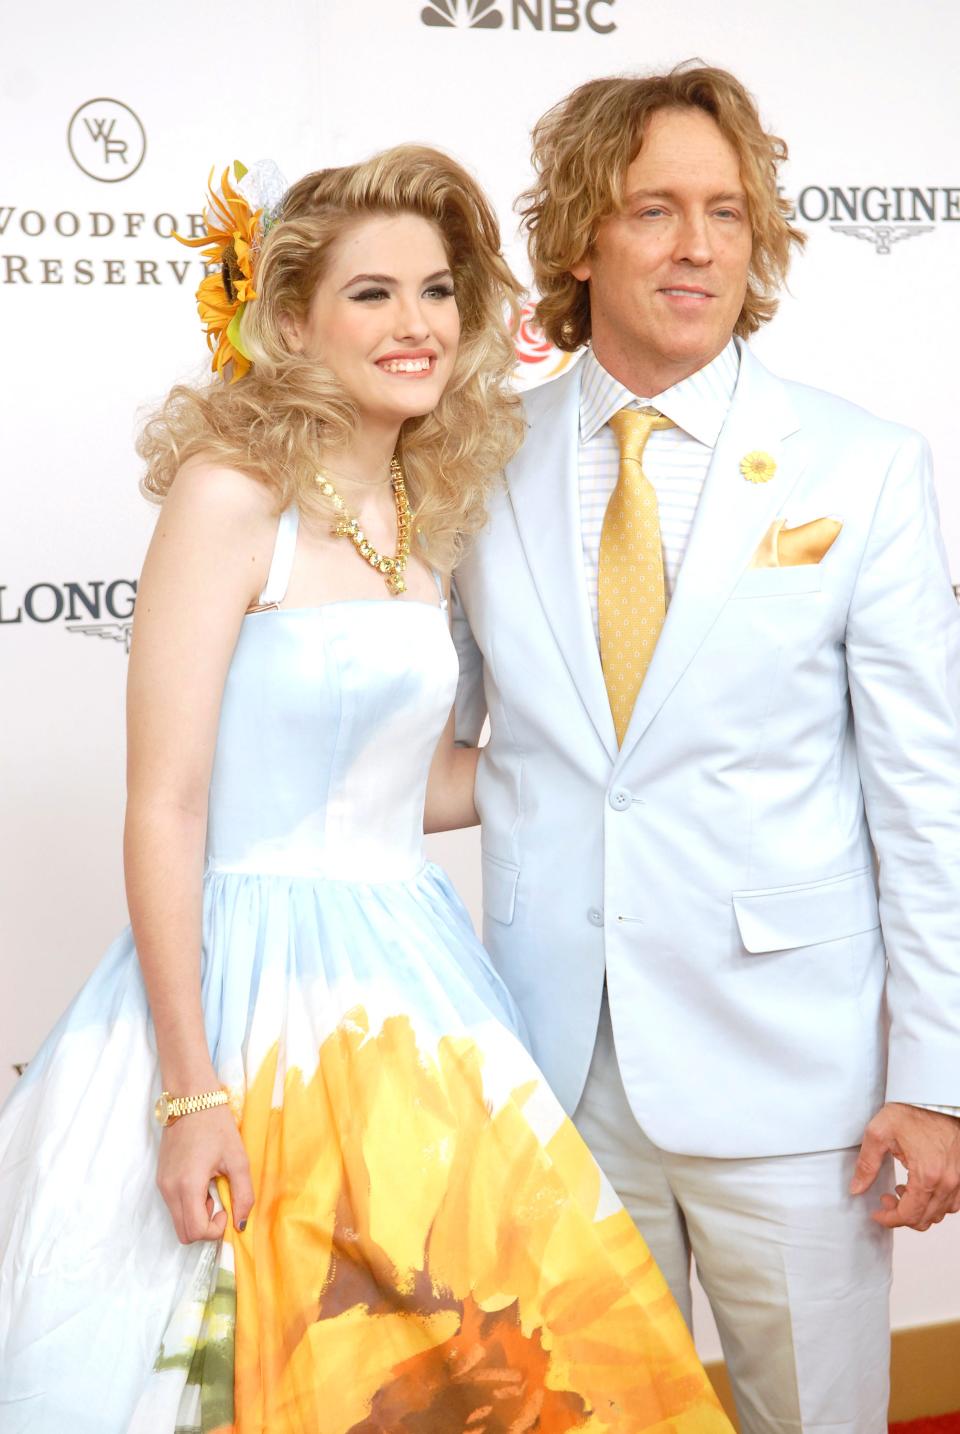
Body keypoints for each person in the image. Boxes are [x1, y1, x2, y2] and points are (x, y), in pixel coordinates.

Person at [0, 146, 732, 1432]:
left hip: (413, 980)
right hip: (241, 992)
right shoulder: (233, 499)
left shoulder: (422, 506)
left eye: (438, 292)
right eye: (373, 295)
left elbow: (415, 788)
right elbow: (166, 806)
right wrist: (190, 1090)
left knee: (495, 1360)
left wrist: (624, 762)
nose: (417, 326)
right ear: (291, 320)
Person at [451, 65, 960, 1433]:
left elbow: (928, 804)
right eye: (655, 209)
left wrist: (938, 1077)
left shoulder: (863, 465)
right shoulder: (476, 460)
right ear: (579, 236)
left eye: (726, 213)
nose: (696, 247)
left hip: (797, 1082)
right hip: (555, 1064)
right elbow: (432, 738)